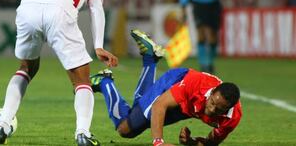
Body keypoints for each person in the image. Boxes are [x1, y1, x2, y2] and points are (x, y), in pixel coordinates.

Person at [0, 0, 118, 145]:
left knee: (26, 68)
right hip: (60, 13)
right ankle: (83, 133)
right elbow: (96, 9)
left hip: (28, 10)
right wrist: (99, 45)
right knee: (81, 81)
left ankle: (3, 124)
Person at [90, 29, 242, 146]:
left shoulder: (232, 118)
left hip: (185, 109)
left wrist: (191, 141)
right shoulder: (194, 84)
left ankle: (150, 58)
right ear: (212, 92)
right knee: (125, 129)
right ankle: (105, 82)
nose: (211, 110)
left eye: (218, 109)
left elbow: (211, 142)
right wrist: (158, 142)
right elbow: (159, 105)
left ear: (229, 109)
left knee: (138, 120)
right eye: (212, 103)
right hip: (174, 83)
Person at [179, 0, 234, 73]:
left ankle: (210, 60)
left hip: (213, 4)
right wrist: (183, 6)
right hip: (198, 4)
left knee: (213, 36)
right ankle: (204, 64)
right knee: (202, 33)